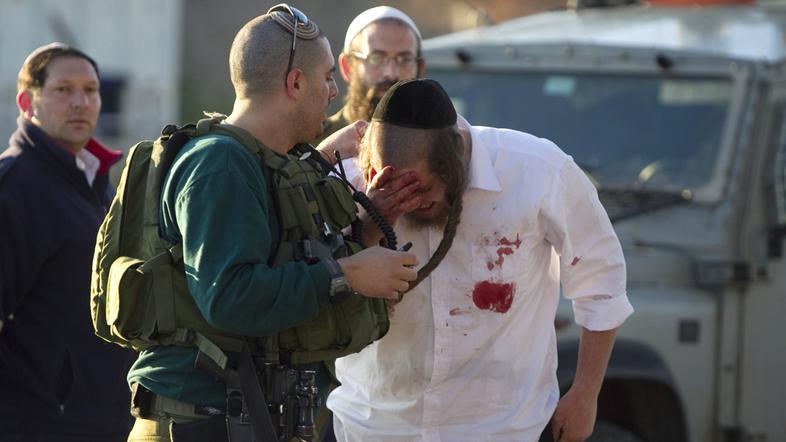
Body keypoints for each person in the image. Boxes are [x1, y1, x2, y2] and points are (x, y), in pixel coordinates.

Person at [122, 5, 418, 441]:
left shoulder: (270, 166)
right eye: (327, 78)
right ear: (295, 83)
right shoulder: (220, 166)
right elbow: (230, 297)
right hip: (202, 423)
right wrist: (348, 274)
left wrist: (364, 232)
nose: (334, 91)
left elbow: (287, 263)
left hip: (247, 417)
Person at [327, 79, 634, 442]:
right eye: (395, 190)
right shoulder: (347, 180)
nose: (412, 202)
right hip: (374, 425)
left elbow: (601, 282)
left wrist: (585, 394)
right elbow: (314, 283)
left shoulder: (537, 170)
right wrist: (370, 224)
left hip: (502, 427)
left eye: (422, 189)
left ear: (455, 155)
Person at [0, 43, 135, 441]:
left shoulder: (98, 184)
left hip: (103, 419)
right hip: (38, 423)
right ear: (28, 101)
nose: (81, 102)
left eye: (91, 90)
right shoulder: (14, 187)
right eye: (64, 90)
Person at [314, 6, 423, 144]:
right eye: (376, 58)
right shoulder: (315, 144)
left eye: (405, 59)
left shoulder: (439, 145)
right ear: (348, 67)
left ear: (420, 68)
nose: (391, 74)